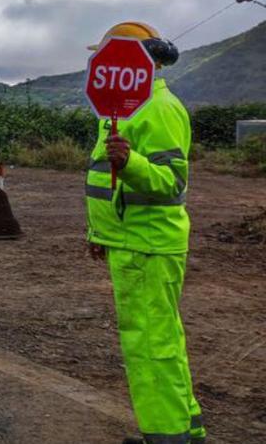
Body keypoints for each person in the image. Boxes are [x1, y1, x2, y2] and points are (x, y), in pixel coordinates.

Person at [84, 22, 205, 444]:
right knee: (161, 339)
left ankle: (166, 437)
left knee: (151, 346)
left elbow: (172, 183)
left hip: (149, 246)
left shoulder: (160, 108)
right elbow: (107, 183)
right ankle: (185, 429)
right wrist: (99, 233)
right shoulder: (125, 107)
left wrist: (132, 161)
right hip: (131, 242)